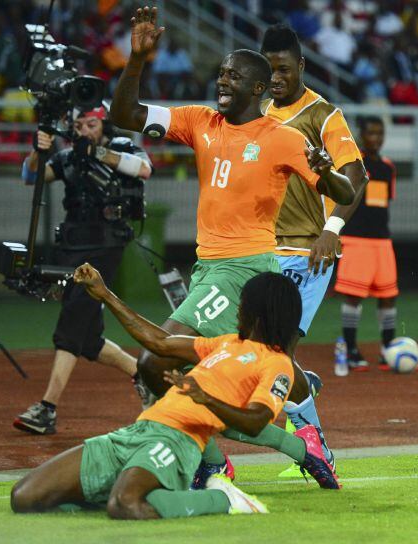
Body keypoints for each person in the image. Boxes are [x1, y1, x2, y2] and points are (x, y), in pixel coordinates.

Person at [109, 7, 354, 487]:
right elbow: (125, 114)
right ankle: (300, 426)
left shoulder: (283, 138)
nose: (222, 82)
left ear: (258, 89)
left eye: (233, 77)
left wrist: (326, 171)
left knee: (155, 361)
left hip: (242, 270)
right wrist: (136, 60)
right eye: (220, 73)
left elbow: (344, 193)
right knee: (252, 359)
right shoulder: (200, 121)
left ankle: (210, 461)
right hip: (210, 269)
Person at [10, 267, 339, 520]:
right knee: (24, 497)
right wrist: (105, 294)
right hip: (139, 430)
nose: (237, 309)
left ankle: (224, 498)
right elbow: (159, 342)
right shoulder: (225, 344)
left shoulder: (277, 364)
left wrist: (207, 399)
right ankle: (129, 484)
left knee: (125, 504)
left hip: (178, 442)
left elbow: (255, 421)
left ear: (257, 314)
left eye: (242, 303)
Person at [260, 23, 367, 474]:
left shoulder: (324, 115)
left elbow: (356, 176)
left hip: (309, 249)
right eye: (269, 71)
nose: (276, 78)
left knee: (277, 351)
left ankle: (316, 447)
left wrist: (334, 227)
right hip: (262, 248)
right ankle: (304, 384)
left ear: (301, 65)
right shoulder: (259, 112)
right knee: (261, 350)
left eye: (284, 69)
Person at [13, 105, 154, 436]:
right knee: (87, 337)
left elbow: (145, 169)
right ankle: (144, 374)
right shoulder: (67, 157)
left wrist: (100, 153)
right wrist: (39, 149)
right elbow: (29, 177)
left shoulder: (119, 147)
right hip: (73, 245)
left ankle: (47, 408)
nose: (84, 130)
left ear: (103, 124)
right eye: (78, 125)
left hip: (106, 245)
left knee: (73, 320)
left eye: (91, 124)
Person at [334, 116, 401, 371]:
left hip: (382, 241)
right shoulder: (353, 164)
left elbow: (383, 203)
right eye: (371, 132)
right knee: (353, 296)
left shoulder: (387, 167)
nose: (376, 138)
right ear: (360, 134)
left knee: (388, 296)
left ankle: (388, 349)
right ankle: (351, 349)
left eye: (380, 133)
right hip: (355, 238)